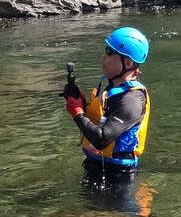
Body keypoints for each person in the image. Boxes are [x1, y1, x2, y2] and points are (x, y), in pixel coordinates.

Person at [63, 27, 151, 177]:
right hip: (96, 168)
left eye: (110, 52)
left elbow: (102, 139)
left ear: (128, 63)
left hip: (118, 179)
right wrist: (82, 104)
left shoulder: (132, 100)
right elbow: (104, 118)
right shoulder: (113, 89)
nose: (104, 56)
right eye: (106, 49)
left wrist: (77, 113)